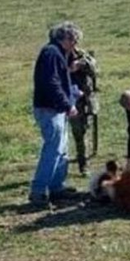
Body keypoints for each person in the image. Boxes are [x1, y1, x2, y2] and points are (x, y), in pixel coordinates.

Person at [30, 22, 84, 207]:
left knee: (61, 150)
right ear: (66, 38)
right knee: (53, 150)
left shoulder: (56, 54)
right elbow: (51, 82)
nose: (75, 45)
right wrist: (67, 104)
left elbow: (58, 79)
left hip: (56, 109)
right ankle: (38, 192)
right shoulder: (51, 53)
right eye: (74, 40)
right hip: (50, 109)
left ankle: (56, 187)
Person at [66, 38, 98, 177]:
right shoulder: (56, 56)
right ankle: (77, 163)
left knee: (82, 132)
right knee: (73, 134)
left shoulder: (81, 55)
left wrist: (80, 64)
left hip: (82, 100)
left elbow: (94, 68)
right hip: (65, 100)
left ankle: (83, 163)